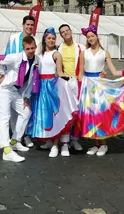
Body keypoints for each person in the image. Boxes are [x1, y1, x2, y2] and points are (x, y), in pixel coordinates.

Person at [78, 25, 124, 157]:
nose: (90, 38)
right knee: (91, 115)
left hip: (100, 86)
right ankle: (96, 144)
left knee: (100, 114)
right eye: (88, 37)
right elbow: (79, 74)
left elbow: (114, 72)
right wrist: (82, 84)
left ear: (97, 36)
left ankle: (104, 144)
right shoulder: (84, 53)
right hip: (88, 87)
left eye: (92, 36)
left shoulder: (104, 53)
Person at [27, 28, 78, 158]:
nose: (51, 40)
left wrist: (66, 79)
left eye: (53, 38)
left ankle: (56, 144)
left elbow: (59, 72)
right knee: (44, 114)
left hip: (51, 86)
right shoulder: (40, 55)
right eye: (49, 38)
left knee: (55, 115)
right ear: (44, 39)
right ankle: (49, 141)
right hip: (40, 87)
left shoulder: (56, 54)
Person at [0, 35, 41, 162]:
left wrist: (26, 96)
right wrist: (1, 75)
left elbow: (30, 80)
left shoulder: (36, 60)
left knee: (26, 112)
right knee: (4, 117)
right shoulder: (16, 57)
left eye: (32, 48)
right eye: (28, 48)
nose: (30, 50)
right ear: (23, 48)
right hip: (4, 89)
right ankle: (6, 150)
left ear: (36, 47)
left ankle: (14, 140)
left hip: (15, 91)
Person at [5, 15, 35, 148]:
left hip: (26, 80)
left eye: (31, 25)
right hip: (13, 80)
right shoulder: (13, 39)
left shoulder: (35, 40)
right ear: (23, 25)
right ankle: (15, 138)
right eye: (27, 24)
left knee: (26, 107)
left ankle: (25, 135)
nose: (29, 27)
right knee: (13, 112)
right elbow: (5, 57)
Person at [57, 24, 85, 152]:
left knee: (77, 112)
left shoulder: (80, 47)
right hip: (64, 82)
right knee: (66, 112)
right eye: (63, 32)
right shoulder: (59, 48)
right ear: (61, 35)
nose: (65, 33)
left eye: (67, 30)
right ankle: (64, 141)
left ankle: (74, 139)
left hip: (77, 81)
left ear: (71, 31)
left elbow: (87, 64)